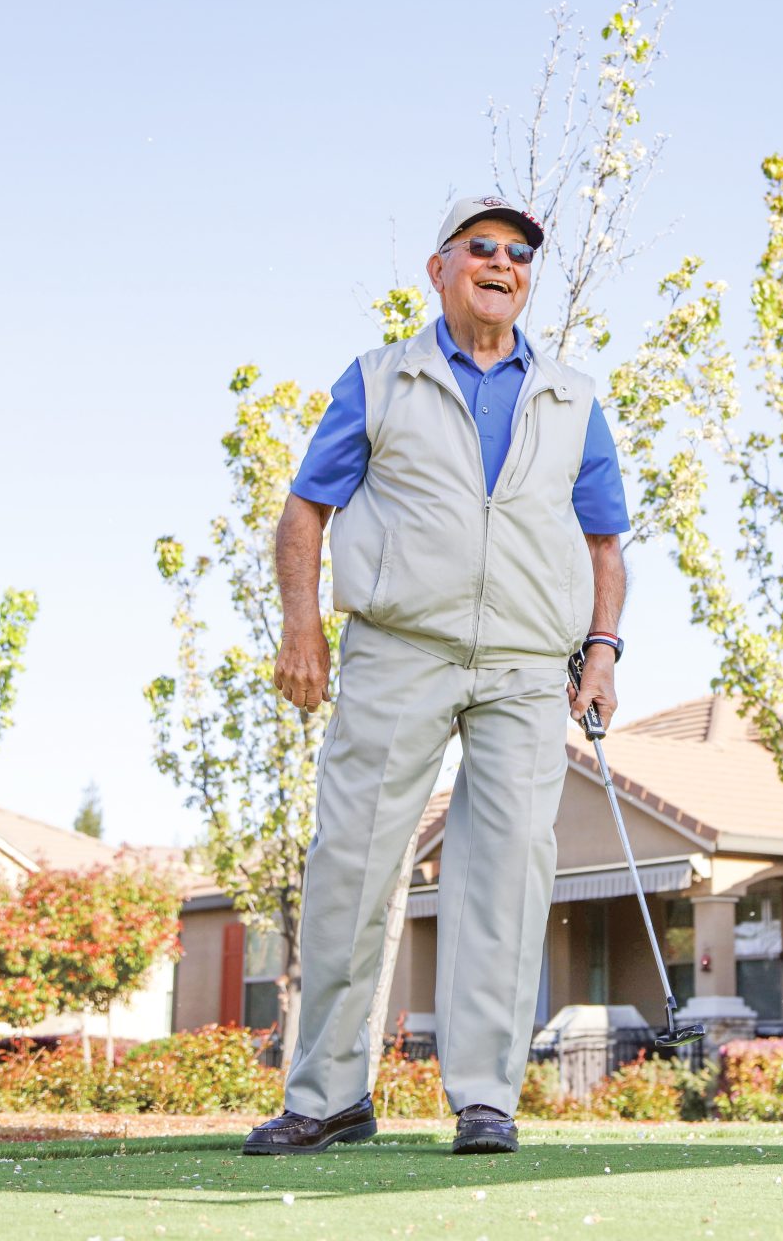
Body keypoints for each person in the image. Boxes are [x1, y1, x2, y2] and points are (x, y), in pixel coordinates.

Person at [241, 196, 629, 1158]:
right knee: (353, 869)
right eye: (482, 249)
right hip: (397, 651)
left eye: (520, 256)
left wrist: (603, 648)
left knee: (507, 880)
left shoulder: (573, 398)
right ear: (439, 267)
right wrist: (303, 631)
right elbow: (303, 517)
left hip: (527, 667)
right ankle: (328, 1094)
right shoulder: (380, 380)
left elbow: (604, 544)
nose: (503, 265)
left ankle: (486, 1098)